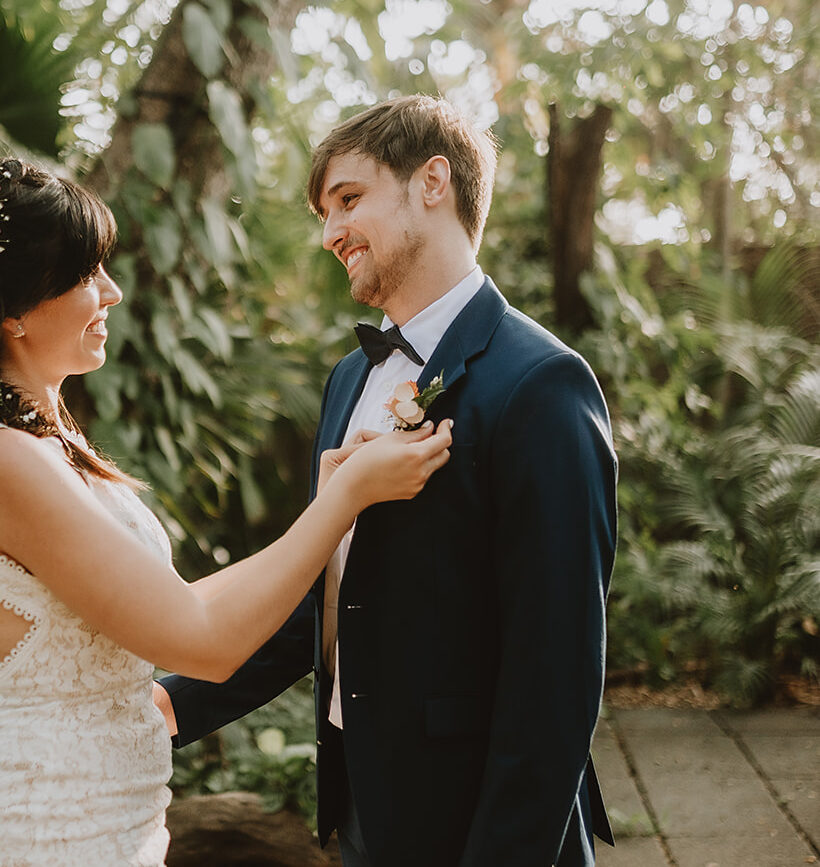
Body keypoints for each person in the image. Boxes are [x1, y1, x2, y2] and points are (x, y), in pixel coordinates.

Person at [0, 156, 453, 866]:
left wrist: (331, 512)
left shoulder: (41, 442)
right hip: (46, 830)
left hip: (107, 817)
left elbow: (173, 603)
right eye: (83, 276)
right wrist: (343, 499)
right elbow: (206, 641)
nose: (112, 289)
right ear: (11, 312)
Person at [156, 95, 618, 866]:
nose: (331, 232)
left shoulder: (540, 383)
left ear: (432, 181)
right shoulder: (348, 381)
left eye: (348, 199)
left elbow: (557, 673)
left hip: (476, 818)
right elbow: (325, 598)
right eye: (323, 212)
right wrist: (172, 702)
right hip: (361, 800)